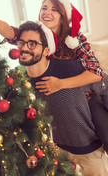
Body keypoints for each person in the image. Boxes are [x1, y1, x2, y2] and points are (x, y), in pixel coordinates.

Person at [16, 20, 108, 176]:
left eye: (32, 44)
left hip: (89, 148)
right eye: (21, 43)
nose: (24, 48)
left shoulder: (72, 69)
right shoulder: (19, 82)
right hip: (55, 154)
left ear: (46, 50)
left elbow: (104, 82)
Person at [0, 0, 103, 94]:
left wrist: (60, 84)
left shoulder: (75, 38)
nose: (47, 12)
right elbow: (12, 33)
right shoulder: (34, 36)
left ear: (63, 16)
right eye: (44, 8)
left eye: (54, 9)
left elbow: (96, 73)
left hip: (84, 98)